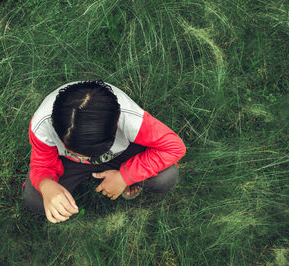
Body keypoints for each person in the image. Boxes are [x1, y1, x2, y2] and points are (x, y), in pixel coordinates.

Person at [22, 80, 186, 224]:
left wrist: (125, 176)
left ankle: (124, 177)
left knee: (166, 177)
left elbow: (174, 146)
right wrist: (46, 185)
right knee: (35, 200)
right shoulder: (42, 126)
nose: (85, 158)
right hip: (69, 162)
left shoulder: (130, 118)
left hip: (120, 153)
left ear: (117, 123)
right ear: (55, 126)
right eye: (73, 150)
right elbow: (42, 163)